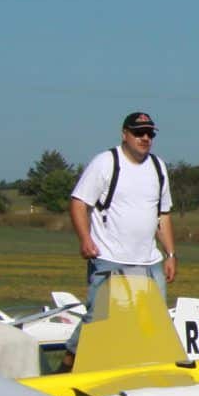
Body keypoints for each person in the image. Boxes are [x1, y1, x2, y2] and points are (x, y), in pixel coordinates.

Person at [69, 111, 178, 325]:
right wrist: (85, 239)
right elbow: (78, 203)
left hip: (150, 261)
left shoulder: (158, 167)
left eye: (149, 134)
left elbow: (162, 215)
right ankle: (72, 358)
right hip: (109, 258)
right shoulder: (105, 162)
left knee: (152, 323)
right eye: (139, 133)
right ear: (124, 134)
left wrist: (171, 254)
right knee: (99, 321)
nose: (145, 138)